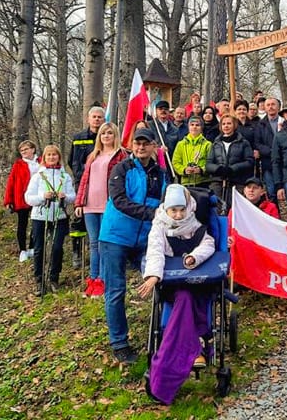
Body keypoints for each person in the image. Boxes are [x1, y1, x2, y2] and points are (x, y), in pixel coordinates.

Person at [138, 184, 216, 401]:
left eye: (182, 209)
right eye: (174, 210)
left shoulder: (197, 224)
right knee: (184, 297)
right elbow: (154, 250)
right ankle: (196, 343)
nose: (179, 214)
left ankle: (188, 350)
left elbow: (208, 244)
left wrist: (194, 257)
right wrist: (153, 274)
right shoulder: (159, 226)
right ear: (166, 209)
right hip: (174, 286)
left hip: (200, 281)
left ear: (188, 206)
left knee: (191, 296)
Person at [100, 128, 167, 363]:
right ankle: (119, 343)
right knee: (116, 291)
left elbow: (167, 204)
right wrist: (152, 213)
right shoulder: (122, 169)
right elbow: (119, 201)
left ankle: (164, 334)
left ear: (153, 146)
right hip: (115, 236)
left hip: (145, 239)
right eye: (137, 144)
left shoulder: (161, 173)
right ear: (132, 145)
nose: (141, 148)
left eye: (145, 144)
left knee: (162, 281)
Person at [74, 123, 128, 298]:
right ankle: (93, 279)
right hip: (90, 204)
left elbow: (125, 181)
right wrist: (79, 203)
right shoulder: (93, 155)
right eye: (103, 133)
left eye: (110, 133)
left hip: (109, 205)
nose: (106, 136)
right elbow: (84, 180)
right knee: (94, 243)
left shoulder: (121, 155)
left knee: (105, 243)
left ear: (115, 135)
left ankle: (104, 281)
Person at [25, 144, 77, 296]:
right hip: (40, 217)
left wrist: (65, 197)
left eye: (54, 155)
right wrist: (42, 197)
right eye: (49, 155)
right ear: (44, 158)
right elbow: (28, 198)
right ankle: (39, 281)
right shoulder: (38, 176)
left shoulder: (65, 176)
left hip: (59, 216)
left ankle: (54, 278)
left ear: (59, 157)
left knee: (57, 248)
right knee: (39, 249)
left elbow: (73, 196)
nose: (52, 157)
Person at [69, 106, 104, 269]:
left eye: (99, 117)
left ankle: (95, 250)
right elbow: (73, 162)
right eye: (94, 117)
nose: (97, 119)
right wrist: (82, 178)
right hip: (82, 182)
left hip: (101, 185)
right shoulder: (79, 138)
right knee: (79, 218)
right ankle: (76, 251)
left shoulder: (105, 137)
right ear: (88, 119)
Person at [205, 115, 254, 211]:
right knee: (217, 209)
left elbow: (249, 161)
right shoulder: (216, 144)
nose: (226, 126)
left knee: (235, 210)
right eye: (223, 124)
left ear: (234, 125)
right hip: (218, 181)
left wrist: (233, 168)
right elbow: (208, 164)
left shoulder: (243, 143)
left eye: (229, 123)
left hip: (237, 181)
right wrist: (218, 169)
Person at [4, 140, 38, 262]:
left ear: (33, 149)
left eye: (26, 149)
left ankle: (33, 247)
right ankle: (22, 250)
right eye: (22, 150)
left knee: (36, 223)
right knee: (22, 224)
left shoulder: (40, 162)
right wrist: (8, 200)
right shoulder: (18, 165)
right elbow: (11, 182)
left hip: (38, 197)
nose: (24, 152)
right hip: (21, 198)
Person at [172, 115, 212, 187]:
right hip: (185, 183)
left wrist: (201, 170)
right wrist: (184, 170)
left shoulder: (207, 144)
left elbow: (211, 163)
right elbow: (175, 162)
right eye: (192, 125)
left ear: (201, 128)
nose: (194, 127)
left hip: (203, 183)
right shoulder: (181, 144)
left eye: (197, 125)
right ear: (188, 127)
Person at [256, 97, 282, 198]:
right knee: (271, 192)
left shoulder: (284, 122)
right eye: (268, 105)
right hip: (268, 163)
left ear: (278, 107)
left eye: (273, 104)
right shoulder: (260, 125)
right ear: (265, 108)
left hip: (285, 163)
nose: (270, 107)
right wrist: (272, 152)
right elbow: (258, 144)